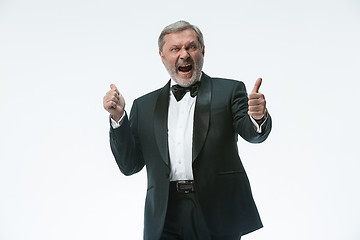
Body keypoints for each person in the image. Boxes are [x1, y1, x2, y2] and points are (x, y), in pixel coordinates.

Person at [103, 20, 272, 240]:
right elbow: (129, 165)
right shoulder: (144, 106)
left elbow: (252, 133)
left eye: (191, 47)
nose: (184, 54)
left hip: (218, 210)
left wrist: (258, 117)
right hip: (165, 214)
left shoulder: (229, 91)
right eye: (175, 49)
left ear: (202, 50)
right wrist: (118, 118)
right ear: (163, 57)